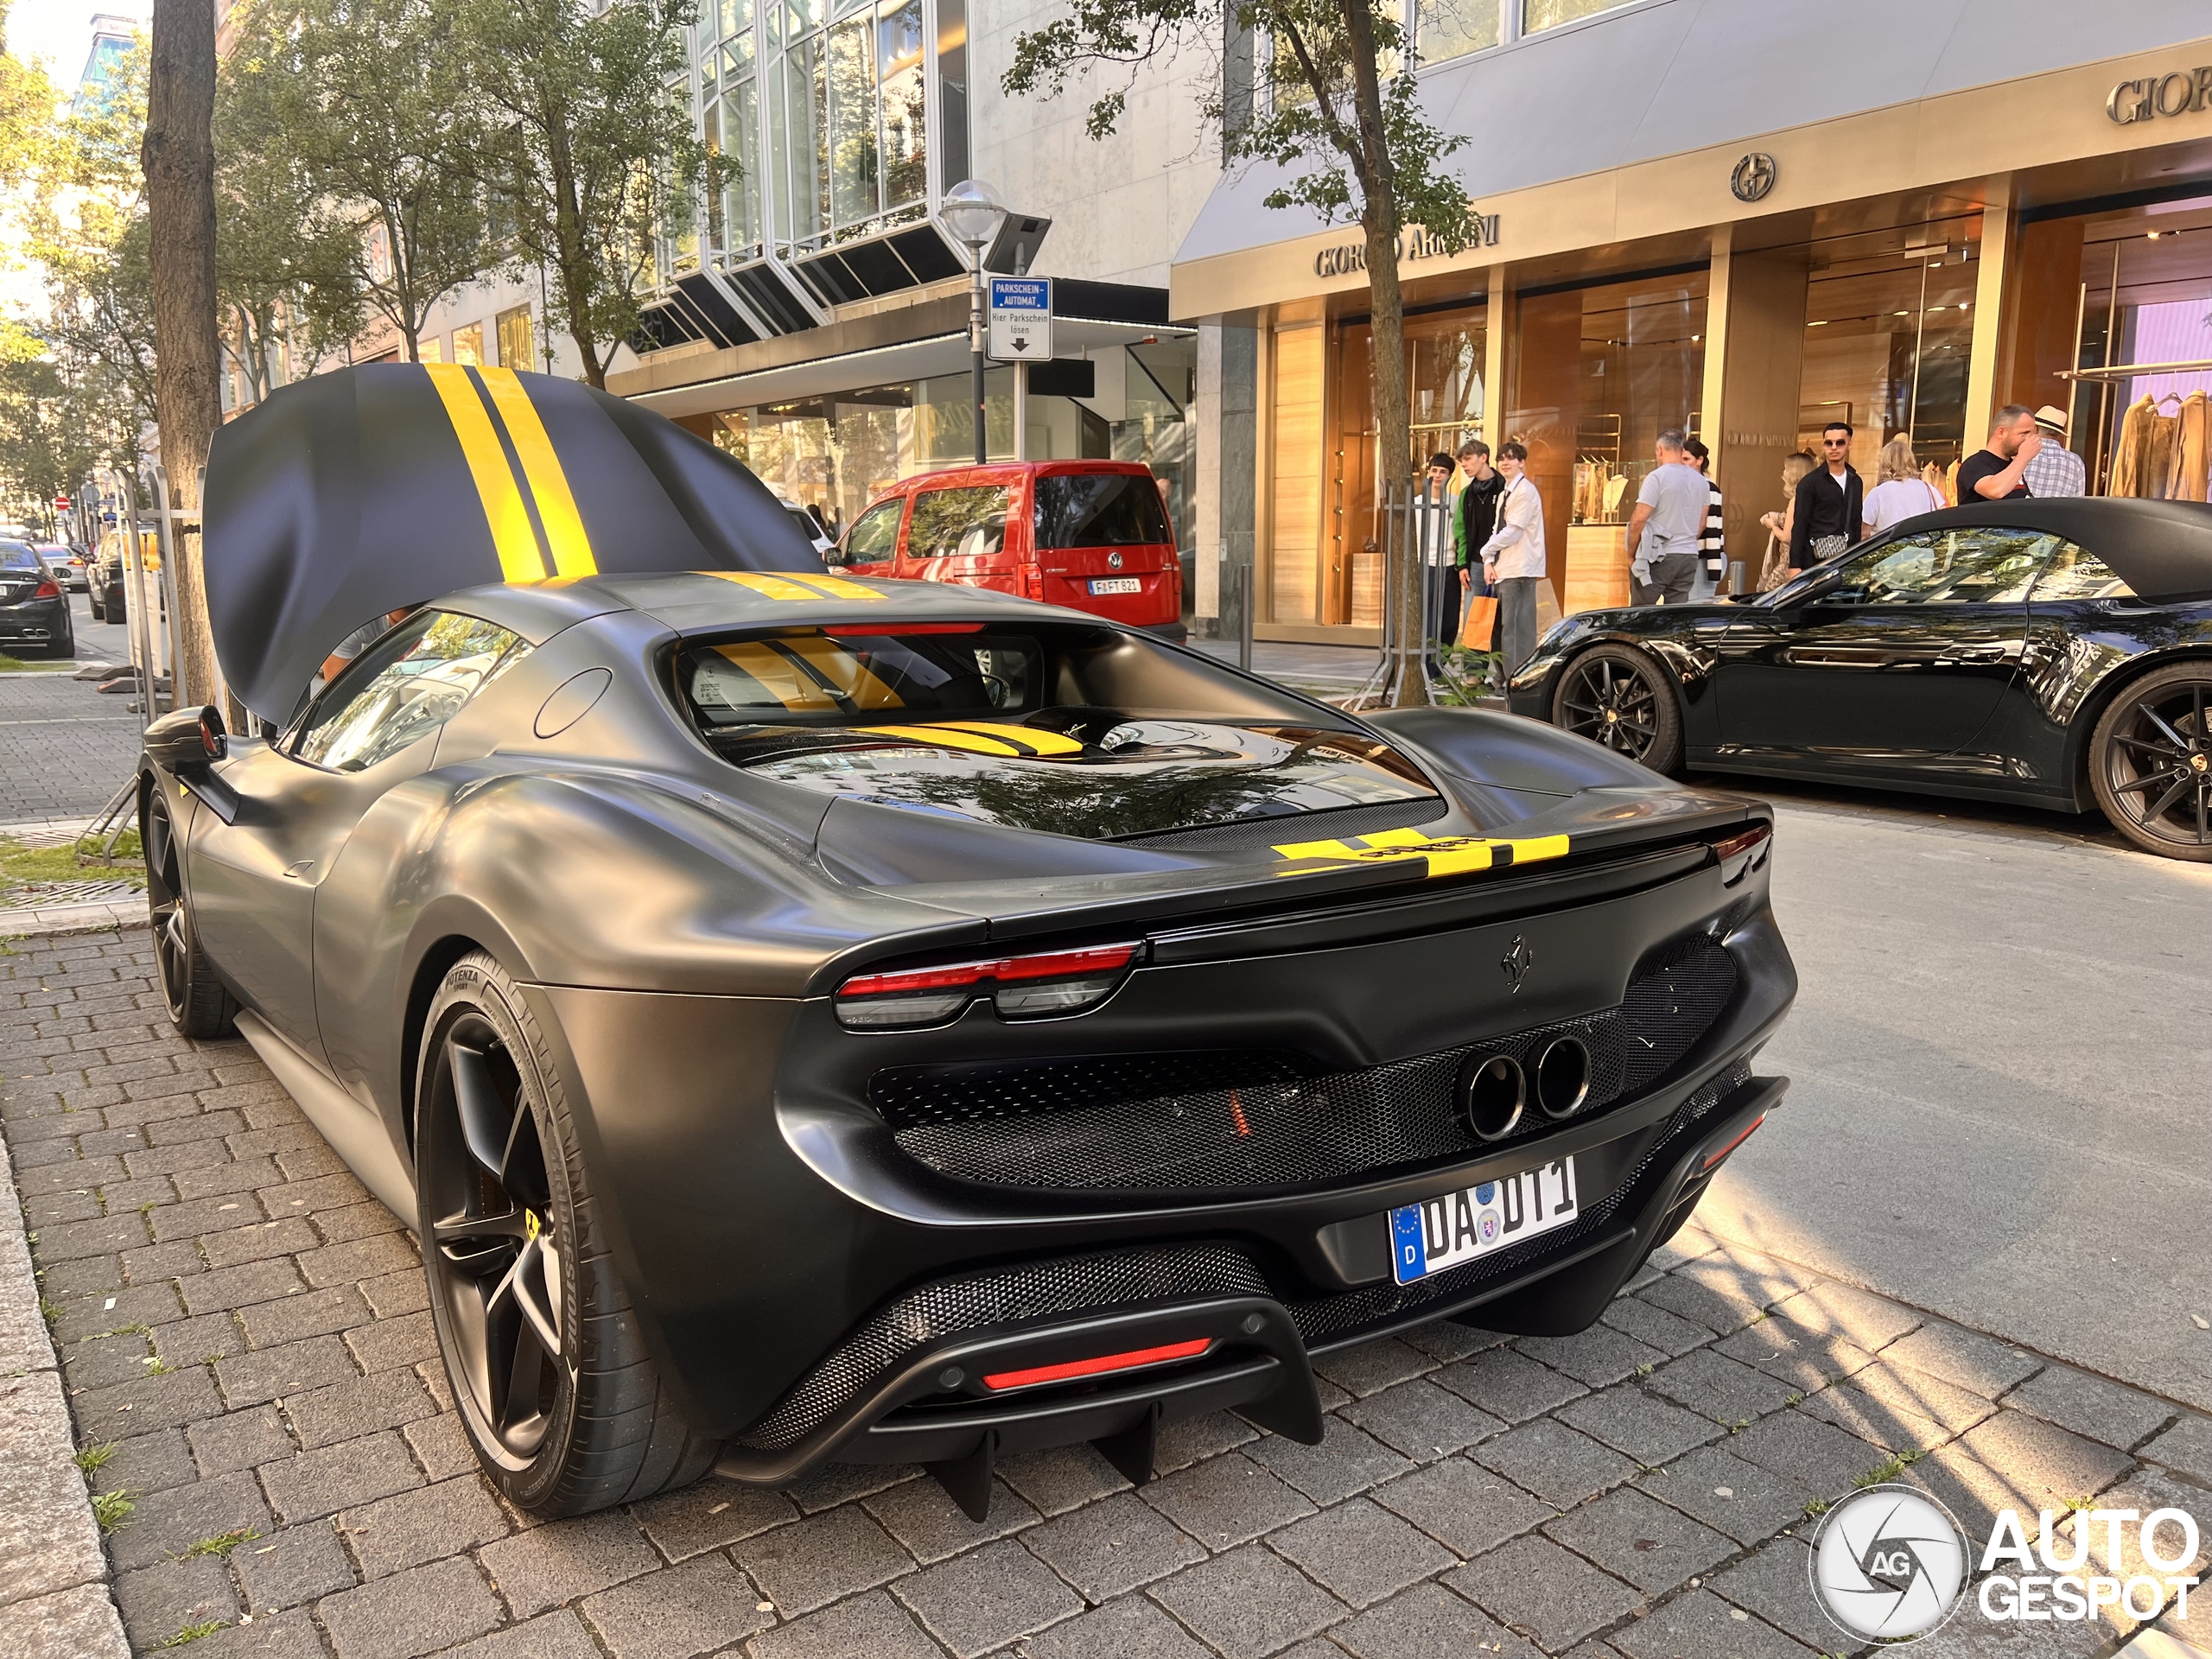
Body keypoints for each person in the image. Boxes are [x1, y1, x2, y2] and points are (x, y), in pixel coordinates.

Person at [1478, 441, 1546, 689]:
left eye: (1511, 458)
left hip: (1520, 569)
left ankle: (1518, 683)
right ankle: (1503, 678)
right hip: (1503, 569)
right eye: (1501, 459)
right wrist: (1488, 561)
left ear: (1521, 462)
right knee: (1497, 631)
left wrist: (1485, 551)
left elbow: (1513, 532)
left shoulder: (1525, 492)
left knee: (1516, 631)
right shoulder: (1505, 492)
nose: (1505, 463)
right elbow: (1497, 529)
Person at [1622, 428, 1706, 603]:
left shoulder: (1656, 478)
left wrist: (1631, 556)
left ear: (1659, 450)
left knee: (1642, 614)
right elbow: (1701, 524)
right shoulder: (1701, 481)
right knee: (1675, 617)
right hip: (1689, 555)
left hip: (1659, 555)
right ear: (1682, 449)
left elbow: (1638, 520)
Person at [1789, 422, 1865, 570]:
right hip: (1814, 562)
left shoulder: (1855, 481)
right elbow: (1799, 525)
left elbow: (1856, 523)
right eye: (1829, 443)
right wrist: (1794, 565)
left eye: (1840, 443)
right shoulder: (1810, 483)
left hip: (1846, 560)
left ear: (1849, 444)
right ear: (1823, 445)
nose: (1834, 447)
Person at [1453, 439, 1505, 613]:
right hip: (1476, 562)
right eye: (1462, 461)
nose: (1464, 465)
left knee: (1501, 618)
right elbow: (1460, 531)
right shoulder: (1466, 494)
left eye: (1468, 459)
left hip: (1504, 560)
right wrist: (1462, 565)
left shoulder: (1505, 487)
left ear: (1483, 457)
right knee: (1474, 619)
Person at [1416, 453, 1459, 662]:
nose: (1438, 475)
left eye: (1443, 472)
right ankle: (1426, 666)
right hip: (1425, 565)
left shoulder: (1457, 503)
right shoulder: (1417, 503)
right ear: (1428, 472)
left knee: (1449, 620)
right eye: (1434, 470)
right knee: (1427, 619)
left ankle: (1441, 664)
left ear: (1450, 476)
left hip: (1450, 566)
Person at [1861, 434, 1947, 536]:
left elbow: (1863, 533)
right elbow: (1944, 520)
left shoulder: (1877, 494)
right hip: (1924, 548)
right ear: (1910, 461)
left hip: (1889, 549)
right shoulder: (1929, 489)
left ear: (1884, 463)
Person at [1758, 452, 1816, 590]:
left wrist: (1772, 525)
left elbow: (1787, 537)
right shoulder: (1814, 499)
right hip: (1807, 563)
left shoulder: (1796, 501)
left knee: (1766, 602)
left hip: (1788, 565)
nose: (1783, 472)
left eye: (1786, 469)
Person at [1957, 406, 2039, 501]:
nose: (2029, 439)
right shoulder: (1975, 464)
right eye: (2024, 433)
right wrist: (2023, 457)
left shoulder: (2012, 465)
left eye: (2032, 434)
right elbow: (1996, 491)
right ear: (2001, 432)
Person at [1682, 437, 1725, 600]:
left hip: (1705, 558)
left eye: (1687, 459)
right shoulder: (1685, 486)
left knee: (1697, 607)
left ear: (1699, 460)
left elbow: (1712, 527)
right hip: (1690, 556)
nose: (1683, 464)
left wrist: (1713, 569)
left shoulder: (1709, 488)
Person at [2021, 404, 2088, 498]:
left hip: (2024, 510)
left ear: (2036, 428)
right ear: (2059, 434)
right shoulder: (2075, 462)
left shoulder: (2023, 453)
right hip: (2059, 512)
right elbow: (2078, 500)